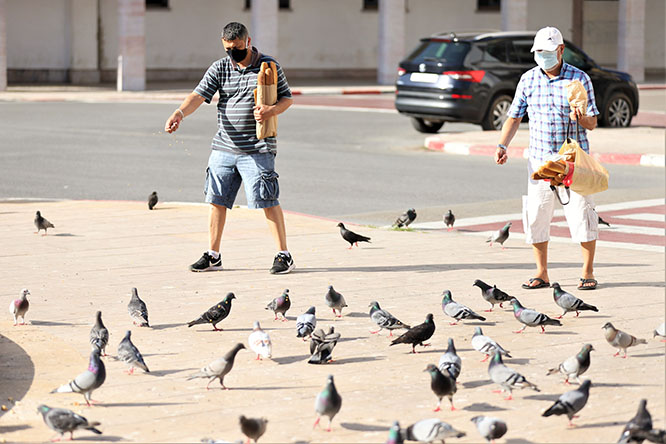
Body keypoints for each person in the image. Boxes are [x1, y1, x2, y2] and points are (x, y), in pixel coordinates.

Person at [164, 22, 294, 274]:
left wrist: (271, 110)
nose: (232, 53)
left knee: (267, 200)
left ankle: (284, 255)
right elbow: (198, 96)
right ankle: (213, 255)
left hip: (258, 148)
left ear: (248, 41)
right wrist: (180, 113)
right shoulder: (220, 67)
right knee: (216, 201)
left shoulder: (269, 66)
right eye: (227, 49)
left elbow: (287, 97)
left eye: (236, 48)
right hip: (223, 147)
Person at [495, 26, 600, 291]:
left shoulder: (579, 79)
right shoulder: (528, 80)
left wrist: (581, 116)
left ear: (561, 50)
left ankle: (587, 273)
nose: (543, 57)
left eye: (548, 52)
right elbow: (515, 116)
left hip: (573, 161)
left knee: (581, 215)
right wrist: (502, 144)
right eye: (538, 52)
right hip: (540, 161)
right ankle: (541, 273)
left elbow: (593, 122)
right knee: (537, 217)